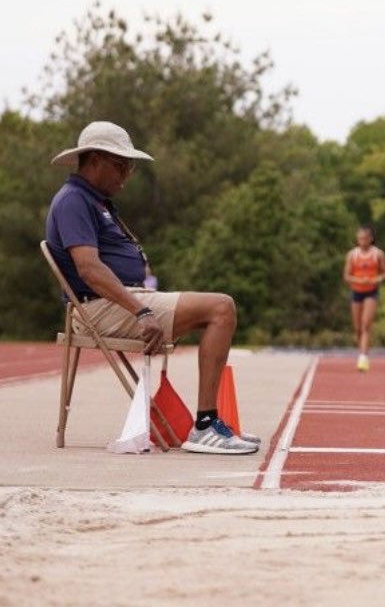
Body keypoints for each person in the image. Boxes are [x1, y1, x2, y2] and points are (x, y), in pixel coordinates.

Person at [44, 121, 258, 455]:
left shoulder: (96, 201)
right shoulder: (74, 200)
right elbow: (88, 269)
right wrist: (141, 310)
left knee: (218, 308)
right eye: (121, 165)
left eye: (130, 166)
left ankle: (209, 423)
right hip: (98, 308)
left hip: (120, 300)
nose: (127, 174)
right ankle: (204, 426)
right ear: (94, 160)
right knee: (221, 308)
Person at [343, 226, 385, 373]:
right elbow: (346, 275)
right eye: (359, 239)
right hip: (356, 291)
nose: (362, 241)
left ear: (370, 239)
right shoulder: (352, 255)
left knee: (366, 324)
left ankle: (363, 357)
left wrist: (375, 279)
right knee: (357, 328)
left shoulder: (378, 254)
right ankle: (361, 352)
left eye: (364, 238)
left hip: (371, 292)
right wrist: (358, 280)